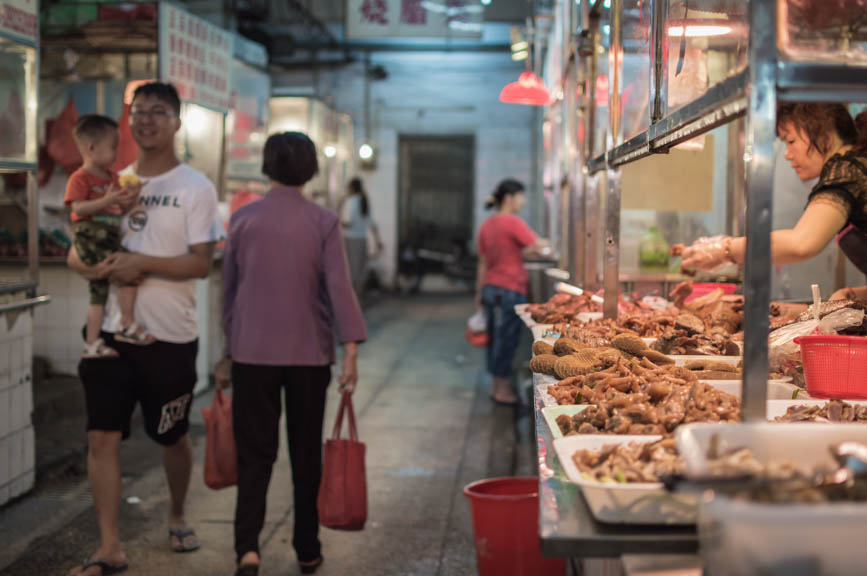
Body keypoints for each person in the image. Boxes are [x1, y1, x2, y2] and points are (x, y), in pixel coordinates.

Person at [67, 82, 224, 576]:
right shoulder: (113, 180)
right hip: (114, 334)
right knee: (102, 438)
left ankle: (177, 512)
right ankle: (109, 546)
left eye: (158, 112)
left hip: (169, 337)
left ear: (177, 122)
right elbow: (81, 240)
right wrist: (82, 265)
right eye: (138, 113)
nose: (146, 121)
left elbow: (200, 265)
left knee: (171, 437)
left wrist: (140, 263)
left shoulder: (195, 187)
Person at [215, 132, 367, 576]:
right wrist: (351, 347)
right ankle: (306, 548)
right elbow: (338, 287)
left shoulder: (243, 219)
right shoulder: (322, 221)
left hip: (251, 354)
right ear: (312, 169)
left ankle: (247, 549)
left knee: (254, 454)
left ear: (267, 167)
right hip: (309, 355)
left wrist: (229, 348)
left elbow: (230, 294)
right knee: (305, 454)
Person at [682, 103, 867, 279]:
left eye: (791, 141)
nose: (787, 154)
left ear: (824, 134)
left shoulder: (846, 170)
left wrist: (722, 250)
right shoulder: (857, 166)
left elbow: (800, 243)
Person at [64, 115, 151, 359]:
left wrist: (132, 195)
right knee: (130, 272)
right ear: (91, 148)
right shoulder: (79, 177)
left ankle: (92, 343)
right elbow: (77, 209)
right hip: (92, 237)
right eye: (113, 147)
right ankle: (126, 323)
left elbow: (120, 210)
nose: (116, 153)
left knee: (98, 295)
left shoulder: (113, 178)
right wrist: (106, 200)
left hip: (108, 236)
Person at [476, 179, 549, 405]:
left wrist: (478, 295)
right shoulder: (512, 222)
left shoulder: (487, 224)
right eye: (521, 196)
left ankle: (496, 387)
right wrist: (546, 246)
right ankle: (503, 390)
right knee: (507, 340)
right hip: (509, 289)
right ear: (509, 198)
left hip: (490, 288)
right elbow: (539, 246)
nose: (523, 201)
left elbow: (482, 263)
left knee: (495, 340)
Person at [338, 177, 383, 296]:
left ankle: (352, 299)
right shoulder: (364, 201)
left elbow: (348, 222)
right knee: (361, 270)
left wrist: (336, 219)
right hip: (362, 239)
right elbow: (372, 224)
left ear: (351, 188)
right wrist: (378, 241)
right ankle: (359, 297)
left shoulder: (350, 201)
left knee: (351, 271)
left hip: (351, 239)